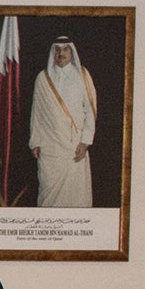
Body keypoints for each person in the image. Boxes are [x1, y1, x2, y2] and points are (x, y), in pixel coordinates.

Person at [31, 38, 97, 209]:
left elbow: (91, 110)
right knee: (48, 194)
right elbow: (37, 113)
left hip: (73, 145)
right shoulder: (43, 78)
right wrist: (35, 141)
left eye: (65, 49)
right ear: (53, 53)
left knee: (75, 194)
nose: (61, 53)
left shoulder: (82, 75)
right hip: (49, 147)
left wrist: (85, 141)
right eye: (57, 50)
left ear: (71, 52)